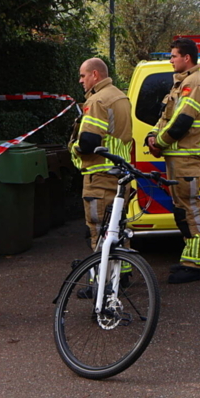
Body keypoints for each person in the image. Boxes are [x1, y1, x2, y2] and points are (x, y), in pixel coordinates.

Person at [146, 38, 200, 284]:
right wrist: (152, 136)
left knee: (189, 210)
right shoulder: (183, 83)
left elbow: (183, 121)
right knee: (182, 210)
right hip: (179, 156)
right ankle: (191, 258)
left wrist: (160, 143)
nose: (171, 60)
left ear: (187, 58)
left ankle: (197, 264)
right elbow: (167, 118)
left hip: (187, 156)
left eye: (173, 55)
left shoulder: (194, 83)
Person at [69, 58, 133, 277]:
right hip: (119, 175)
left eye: (83, 75)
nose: (81, 80)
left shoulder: (97, 101)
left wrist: (74, 148)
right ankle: (121, 275)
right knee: (117, 230)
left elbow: (88, 142)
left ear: (95, 75)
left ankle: (103, 283)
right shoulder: (120, 96)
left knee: (98, 230)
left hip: (100, 175)